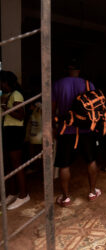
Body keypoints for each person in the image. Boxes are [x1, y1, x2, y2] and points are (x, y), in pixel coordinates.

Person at [52, 58, 101, 207]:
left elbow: (52, 108)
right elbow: (95, 107)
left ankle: (66, 197)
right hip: (87, 129)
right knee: (91, 160)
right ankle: (92, 192)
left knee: (64, 164)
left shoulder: (58, 84)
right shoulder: (88, 84)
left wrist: (53, 126)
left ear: (68, 69)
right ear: (79, 70)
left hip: (66, 129)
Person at [0, 70, 30, 210]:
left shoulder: (16, 94)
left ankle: (23, 195)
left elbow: (21, 115)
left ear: (6, 82)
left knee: (17, 164)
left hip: (15, 131)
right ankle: (12, 193)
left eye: (1, 82)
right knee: (9, 164)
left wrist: (6, 108)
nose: (0, 85)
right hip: (6, 130)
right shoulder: (5, 95)